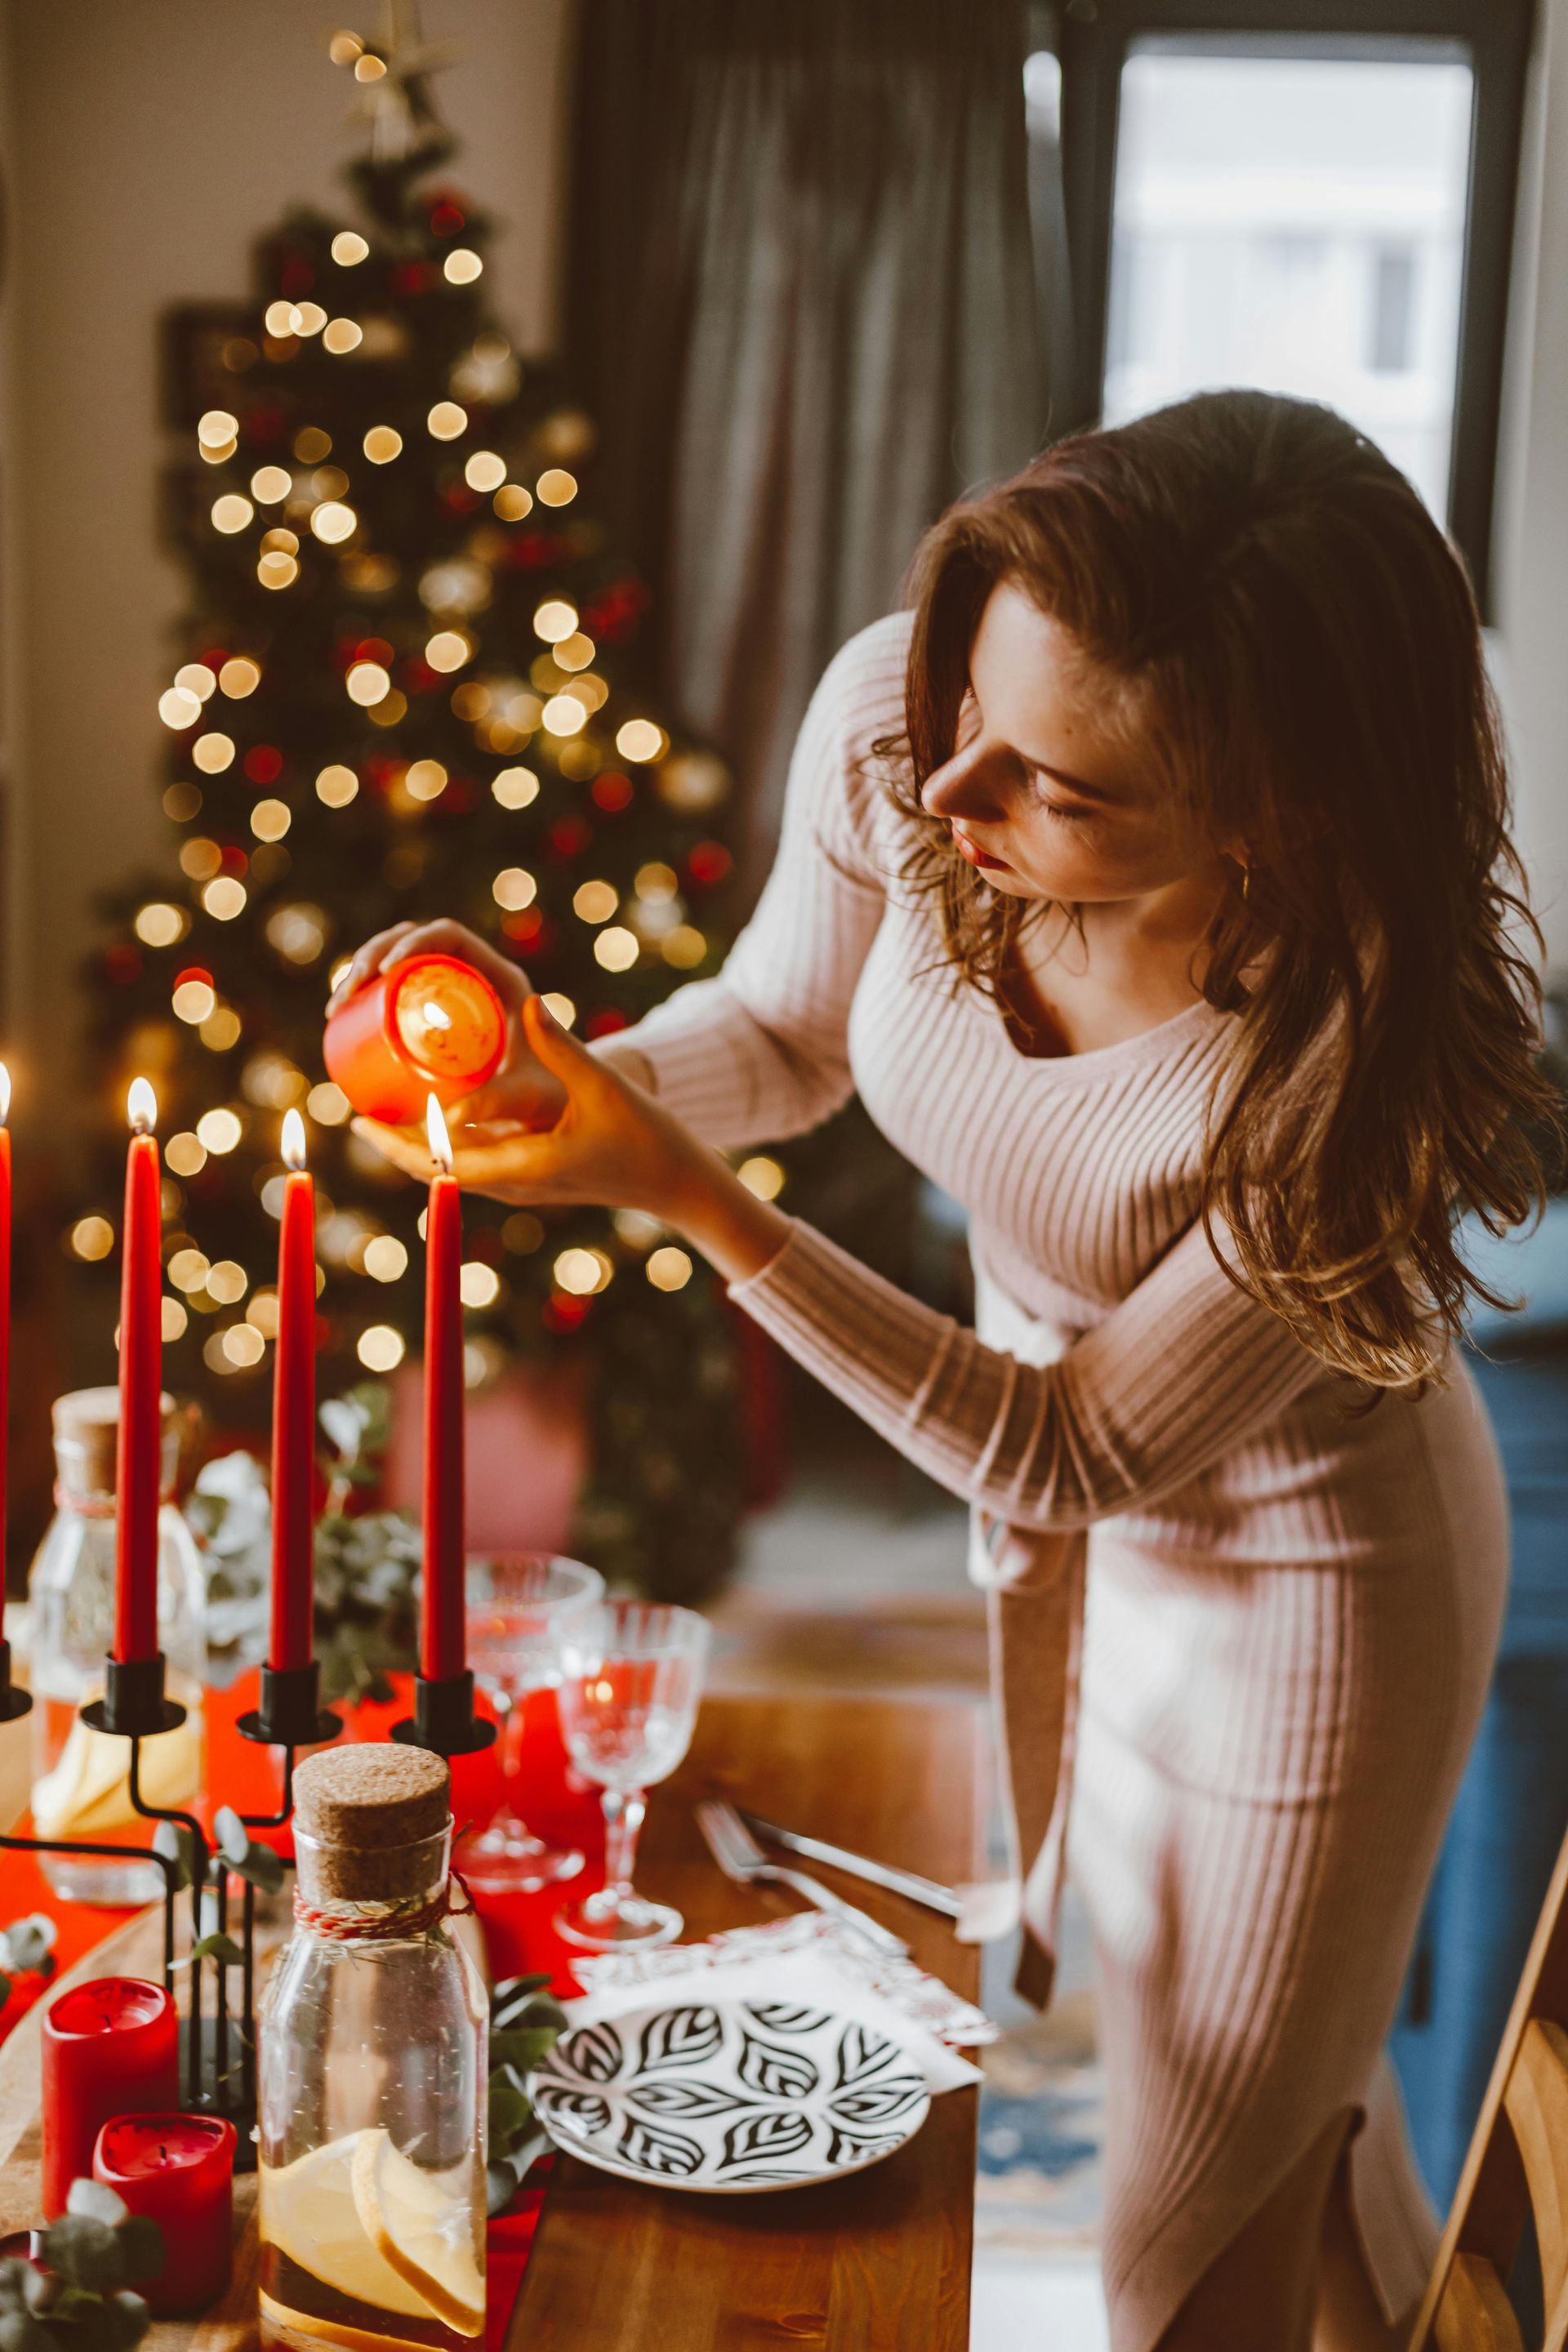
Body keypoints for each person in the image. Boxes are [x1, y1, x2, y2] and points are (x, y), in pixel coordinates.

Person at [331, 390, 1556, 2352]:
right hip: (1094, 1541)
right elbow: (786, 1033)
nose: (948, 792)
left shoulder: (1351, 1073)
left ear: (1281, 812)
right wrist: (559, 1088)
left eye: (1053, 790)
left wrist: (683, 1202)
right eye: (965, 710)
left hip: (1317, 1592)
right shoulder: (914, 722)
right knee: (1291, 2130)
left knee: (1189, 2234)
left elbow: (1065, 1448)